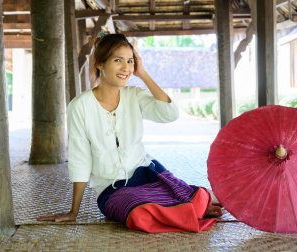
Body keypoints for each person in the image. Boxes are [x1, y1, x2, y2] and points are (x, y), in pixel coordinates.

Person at [37, 33, 222, 233]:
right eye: (118, 60)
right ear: (100, 64)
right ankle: (189, 211)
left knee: (191, 196)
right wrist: (74, 211)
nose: (126, 68)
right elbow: (79, 158)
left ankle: (192, 206)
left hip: (147, 172)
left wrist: (142, 73)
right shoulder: (80, 106)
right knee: (137, 214)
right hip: (111, 189)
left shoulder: (135, 95)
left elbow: (169, 114)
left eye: (130, 61)